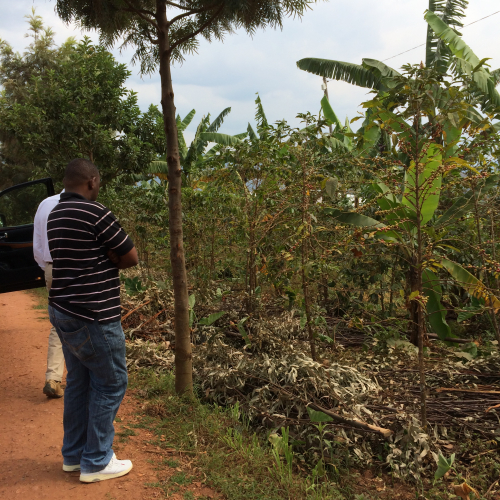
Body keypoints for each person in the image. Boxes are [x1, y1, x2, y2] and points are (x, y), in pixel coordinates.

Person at [47, 158, 138, 483]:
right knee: (111, 383)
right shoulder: (96, 213)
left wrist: (106, 254)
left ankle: (73, 456)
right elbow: (130, 256)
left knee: (80, 383)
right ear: (91, 181)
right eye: (98, 183)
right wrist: (110, 255)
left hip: (63, 309)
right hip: (93, 314)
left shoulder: (55, 214)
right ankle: (97, 460)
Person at [33, 190, 65, 398]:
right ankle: (87, 378)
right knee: (86, 320)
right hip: (79, 269)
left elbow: (37, 247)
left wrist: (47, 268)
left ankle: (53, 377)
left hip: (52, 268)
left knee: (59, 324)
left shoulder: (45, 204)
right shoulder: (88, 206)